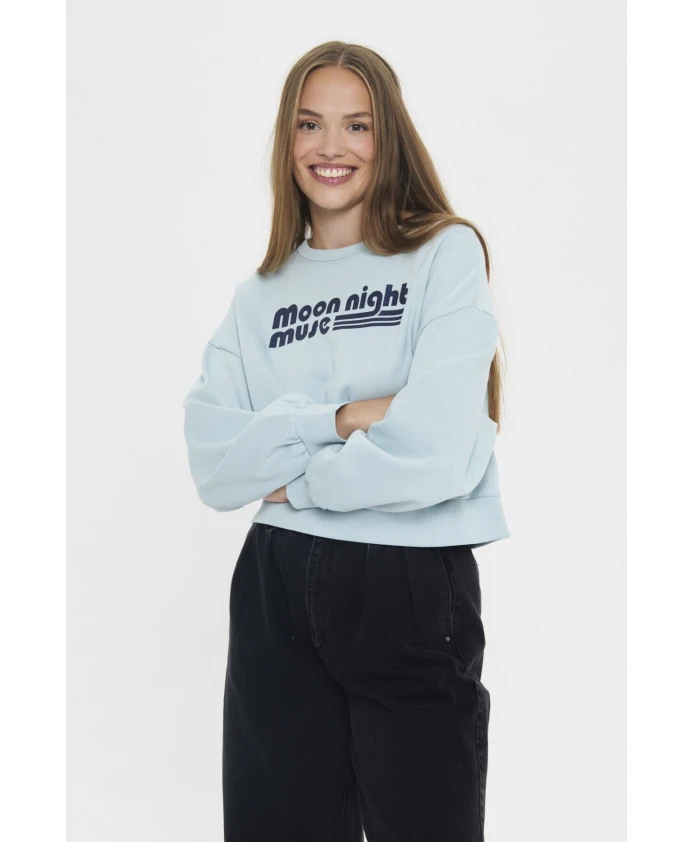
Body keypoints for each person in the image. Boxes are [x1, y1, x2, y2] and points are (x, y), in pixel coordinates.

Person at [182, 40, 510, 842]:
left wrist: (294, 480)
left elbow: (437, 447)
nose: (330, 147)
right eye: (309, 124)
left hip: (409, 582)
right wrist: (336, 420)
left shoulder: (443, 253)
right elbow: (214, 463)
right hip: (274, 586)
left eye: (356, 125)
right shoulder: (258, 296)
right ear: (286, 139)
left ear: (386, 136)